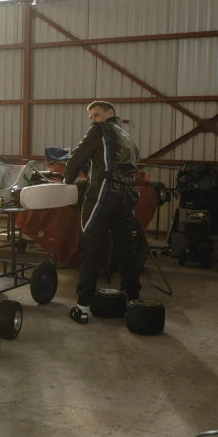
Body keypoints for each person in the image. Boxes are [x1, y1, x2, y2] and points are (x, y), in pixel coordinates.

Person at [63, 101, 141, 325]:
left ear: (110, 113)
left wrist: (67, 180)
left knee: (90, 248)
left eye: (96, 114)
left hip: (103, 194)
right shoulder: (129, 139)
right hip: (127, 195)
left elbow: (77, 156)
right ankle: (134, 303)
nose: (93, 119)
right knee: (126, 250)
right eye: (91, 117)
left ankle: (82, 309)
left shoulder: (100, 130)